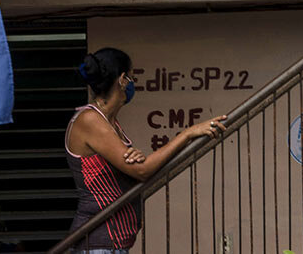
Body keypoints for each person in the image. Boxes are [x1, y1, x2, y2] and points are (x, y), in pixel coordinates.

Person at [65, 48, 226, 253]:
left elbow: (136, 167)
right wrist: (187, 134)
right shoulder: (90, 120)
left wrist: (138, 160)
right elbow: (142, 170)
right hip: (98, 243)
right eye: (132, 77)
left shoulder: (109, 123)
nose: (133, 82)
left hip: (112, 244)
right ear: (122, 80)